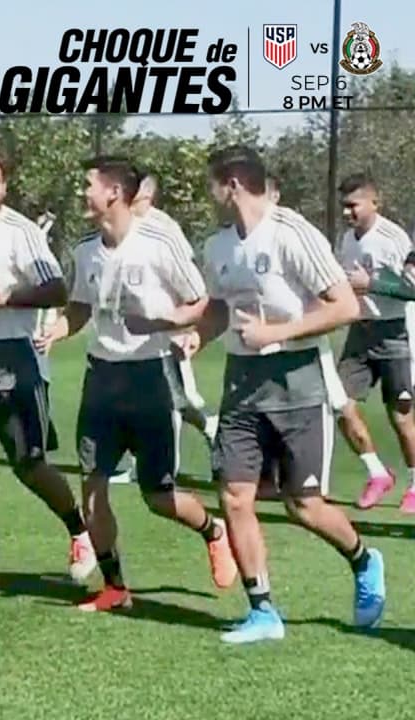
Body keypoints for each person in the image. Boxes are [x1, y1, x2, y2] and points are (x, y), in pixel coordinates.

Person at [196, 145, 384, 643]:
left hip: (298, 382)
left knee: (303, 505)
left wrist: (277, 332)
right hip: (241, 383)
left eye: (212, 183)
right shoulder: (217, 245)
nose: (208, 193)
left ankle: (364, 560)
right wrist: (196, 336)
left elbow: (344, 306)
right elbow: (218, 307)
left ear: (232, 184)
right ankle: (263, 612)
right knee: (235, 495)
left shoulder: (292, 232)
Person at [38, 156, 237, 612]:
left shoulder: (158, 243)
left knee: (158, 496)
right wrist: (56, 331)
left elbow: (200, 302)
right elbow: (80, 308)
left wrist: (165, 323)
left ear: (113, 193)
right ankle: (115, 587)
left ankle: (214, 531)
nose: (82, 192)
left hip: (150, 376)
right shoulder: (85, 249)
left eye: (88, 184)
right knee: (93, 485)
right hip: (101, 378)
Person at [0, 148, 95, 595]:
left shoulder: (22, 232)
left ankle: (80, 532)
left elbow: (56, 289)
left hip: (16, 364)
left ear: (4, 186)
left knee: (29, 465)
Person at [332, 173, 415, 511]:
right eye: (343, 206)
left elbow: (412, 289)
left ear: (374, 203)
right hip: (360, 333)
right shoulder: (346, 239)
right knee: (338, 402)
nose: (346, 213)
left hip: (396, 335)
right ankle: (377, 473)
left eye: (353, 205)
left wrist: (373, 284)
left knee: (402, 418)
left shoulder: (393, 238)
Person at [130, 173, 218, 448]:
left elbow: (189, 282)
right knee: (141, 399)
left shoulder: (163, 227)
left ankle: (207, 427)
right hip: (134, 334)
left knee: (178, 398)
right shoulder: (123, 225)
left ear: (146, 194)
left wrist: (185, 326)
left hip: (167, 331)